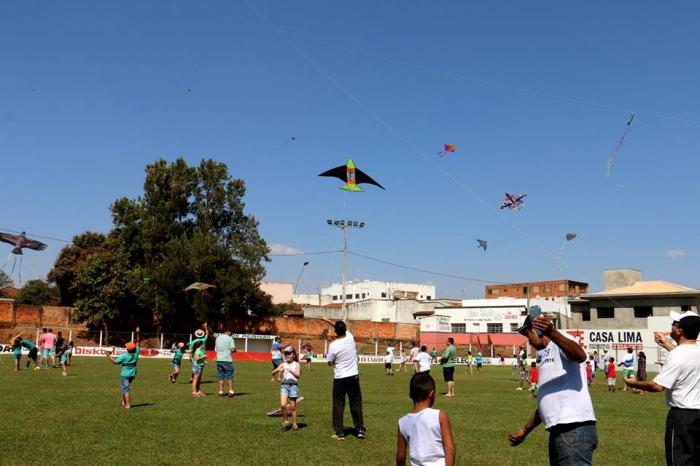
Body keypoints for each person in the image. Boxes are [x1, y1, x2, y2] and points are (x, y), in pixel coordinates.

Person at [508, 312, 597, 465]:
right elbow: (547, 401)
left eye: (528, 335)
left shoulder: (562, 341)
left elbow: (580, 355)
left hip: (573, 428)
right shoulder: (547, 353)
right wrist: (525, 430)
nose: (529, 341)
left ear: (537, 330)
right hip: (560, 431)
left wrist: (552, 332)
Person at [624, 310, 700, 465]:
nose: (671, 326)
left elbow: (657, 386)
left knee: (680, 461)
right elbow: (686, 358)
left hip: (682, 418)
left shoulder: (677, 355)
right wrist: (666, 344)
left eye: (674, 324)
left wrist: (632, 383)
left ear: (680, 330)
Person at [320, 316, 366, 440]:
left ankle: (340, 432)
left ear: (335, 332)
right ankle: (360, 429)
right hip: (354, 376)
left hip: (340, 378)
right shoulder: (350, 337)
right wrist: (329, 320)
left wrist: (336, 362)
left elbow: (330, 362)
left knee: (338, 404)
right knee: (356, 402)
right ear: (345, 329)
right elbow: (339, 326)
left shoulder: (333, 345)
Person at [396, 373, 456, 466]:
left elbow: (400, 456)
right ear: (431, 394)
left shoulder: (402, 422)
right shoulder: (440, 416)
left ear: (410, 395)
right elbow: (450, 448)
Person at [106, 328, 141, 409]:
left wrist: (108, 356)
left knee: (125, 390)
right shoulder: (136, 352)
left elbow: (114, 362)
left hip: (124, 374)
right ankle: (124, 402)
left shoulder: (125, 356)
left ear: (128, 349)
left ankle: (127, 405)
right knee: (126, 388)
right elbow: (138, 342)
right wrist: (138, 333)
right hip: (132, 374)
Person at [272, 346, 302, 431]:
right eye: (286, 354)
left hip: (293, 386)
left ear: (293, 354)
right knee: (283, 405)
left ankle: (295, 424)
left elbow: (298, 376)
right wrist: (278, 370)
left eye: (289, 353)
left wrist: (291, 371)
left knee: (293, 407)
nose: (287, 355)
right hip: (284, 386)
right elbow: (272, 372)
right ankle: (285, 422)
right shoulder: (283, 364)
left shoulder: (297, 364)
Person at [215, 329, 236, 397]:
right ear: (229, 332)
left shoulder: (218, 338)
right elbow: (232, 349)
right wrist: (235, 350)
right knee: (229, 376)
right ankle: (231, 391)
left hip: (219, 359)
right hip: (227, 359)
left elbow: (216, 349)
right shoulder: (230, 338)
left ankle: (221, 391)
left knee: (221, 376)